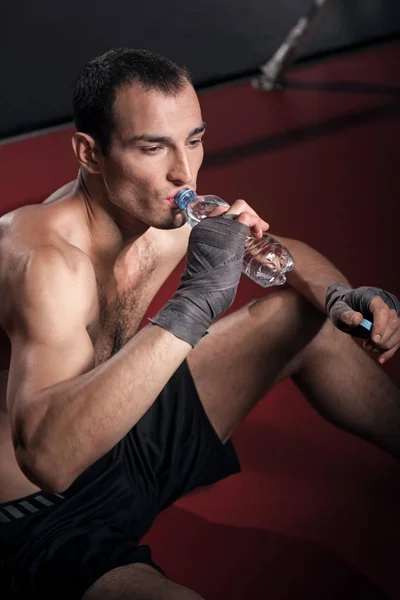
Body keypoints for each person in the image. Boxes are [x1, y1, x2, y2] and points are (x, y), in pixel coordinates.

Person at [0, 47, 399, 600]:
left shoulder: (164, 214)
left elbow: (286, 255)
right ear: (89, 153)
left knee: (300, 316)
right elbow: (50, 460)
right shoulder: (46, 262)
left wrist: (338, 297)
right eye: (152, 146)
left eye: (193, 139)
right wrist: (195, 303)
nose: (182, 172)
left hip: (122, 442)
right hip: (39, 516)